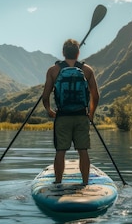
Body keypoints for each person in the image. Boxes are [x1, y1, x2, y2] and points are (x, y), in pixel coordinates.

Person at [42, 39, 99, 185]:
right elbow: (95, 95)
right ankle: (85, 183)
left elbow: (45, 95)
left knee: (60, 150)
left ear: (63, 52)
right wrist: (90, 115)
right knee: (83, 150)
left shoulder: (53, 70)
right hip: (81, 116)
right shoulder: (87, 70)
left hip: (62, 117)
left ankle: (58, 182)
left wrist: (49, 110)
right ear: (78, 52)